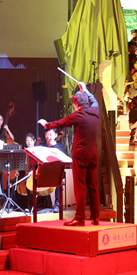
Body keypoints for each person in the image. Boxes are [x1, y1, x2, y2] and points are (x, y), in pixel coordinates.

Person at [38, 82, 100, 227]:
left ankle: (80, 218)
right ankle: (95, 217)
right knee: (93, 187)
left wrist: (46, 125)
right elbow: (94, 100)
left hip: (81, 156)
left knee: (80, 187)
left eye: (74, 104)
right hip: (93, 155)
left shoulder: (78, 115)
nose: (74, 107)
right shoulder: (95, 110)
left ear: (77, 104)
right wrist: (85, 90)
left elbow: (61, 123)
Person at [37, 128, 67, 213]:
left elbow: (64, 158)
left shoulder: (60, 147)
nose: (48, 136)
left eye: (50, 134)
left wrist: (55, 145)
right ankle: (33, 205)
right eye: (46, 134)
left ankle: (57, 205)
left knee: (59, 179)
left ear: (55, 135)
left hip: (55, 172)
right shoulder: (42, 146)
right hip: (44, 171)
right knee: (30, 180)